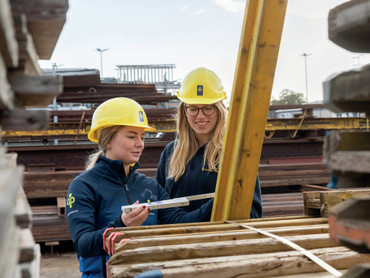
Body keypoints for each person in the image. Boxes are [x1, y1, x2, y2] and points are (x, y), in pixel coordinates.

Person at [66, 97, 213, 278]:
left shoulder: (149, 186)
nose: (140, 144)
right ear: (107, 139)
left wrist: (216, 202)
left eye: (142, 137)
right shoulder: (83, 186)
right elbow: (83, 243)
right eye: (131, 136)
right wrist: (120, 224)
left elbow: (180, 222)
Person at [156, 67, 262, 218]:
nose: (200, 116)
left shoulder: (235, 153)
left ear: (219, 109)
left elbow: (253, 213)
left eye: (207, 108)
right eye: (193, 109)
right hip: (176, 239)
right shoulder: (170, 152)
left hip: (219, 239)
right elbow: (159, 205)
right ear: (184, 111)